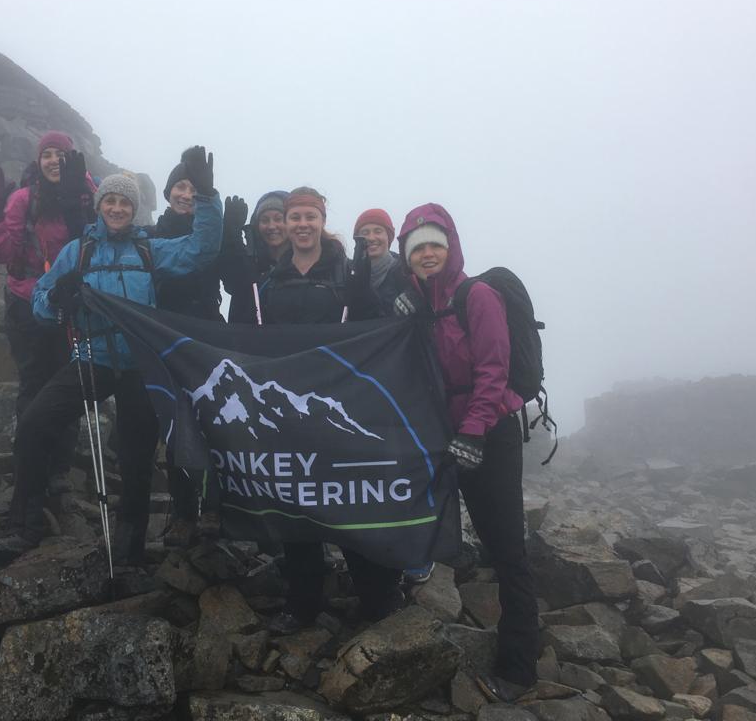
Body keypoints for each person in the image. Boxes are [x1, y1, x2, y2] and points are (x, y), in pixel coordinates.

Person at [0, 148, 223, 566]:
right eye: (110, 201)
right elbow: (41, 301)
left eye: (125, 203)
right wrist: (58, 301)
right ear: (99, 206)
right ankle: (22, 525)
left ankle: (130, 548)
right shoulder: (77, 252)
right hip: (91, 358)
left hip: (140, 366)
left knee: (135, 459)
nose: (117, 208)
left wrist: (207, 198)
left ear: (134, 209)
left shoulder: (150, 249)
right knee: (35, 423)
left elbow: (201, 249)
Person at [396, 203, 538, 704]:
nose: (427, 254)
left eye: (434, 245)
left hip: (489, 434)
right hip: (443, 435)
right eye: (417, 248)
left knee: (508, 548)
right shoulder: (417, 303)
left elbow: (493, 370)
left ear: (450, 246)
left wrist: (474, 433)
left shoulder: (477, 296)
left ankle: (519, 666)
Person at [258, 186, 403, 635]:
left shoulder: (346, 270)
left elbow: (373, 329)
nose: (302, 225)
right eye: (295, 217)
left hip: (338, 403)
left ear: (322, 222)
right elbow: (258, 336)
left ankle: (377, 597)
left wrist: (363, 296)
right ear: (286, 223)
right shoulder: (272, 277)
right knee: (297, 501)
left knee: (348, 498)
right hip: (289, 405)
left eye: (310, 217)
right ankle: (302, 603)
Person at [0, 130, 95, 523]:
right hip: (26, 303)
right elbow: (4, 252)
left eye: (60, 154)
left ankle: (59, 468)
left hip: (69, 306)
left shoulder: (87, 194)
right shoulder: (23, 200)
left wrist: (78, 204)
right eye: (47, 154)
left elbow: (96, 242)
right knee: (33, 383)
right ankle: (29, 465)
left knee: (68, 385)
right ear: (38, 160)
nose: (53, 161)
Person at [145, 163, 246, 546]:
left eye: (192, 188)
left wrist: (231, 234)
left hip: (204, 335)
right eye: (179, 187)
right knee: (175, 425)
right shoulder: (150, 238)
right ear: (168, 193)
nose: (185, 194)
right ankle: (184, 512)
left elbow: (238, 283)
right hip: (163, 339)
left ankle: (215, 509)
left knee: (212, 423)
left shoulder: (213, 234)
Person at [222, 190, 290, 324]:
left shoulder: (304, 264)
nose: (271, 226)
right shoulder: (249, 262)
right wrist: (231, 234)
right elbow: (232, 281)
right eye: (265, 220)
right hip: (246, 336)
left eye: (278, 219)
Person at [353, 207, 407, 314]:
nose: (371, 238)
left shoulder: (406, 273)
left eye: (378, 231)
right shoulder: (348, 274)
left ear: (388, 236)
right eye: (365, 233)